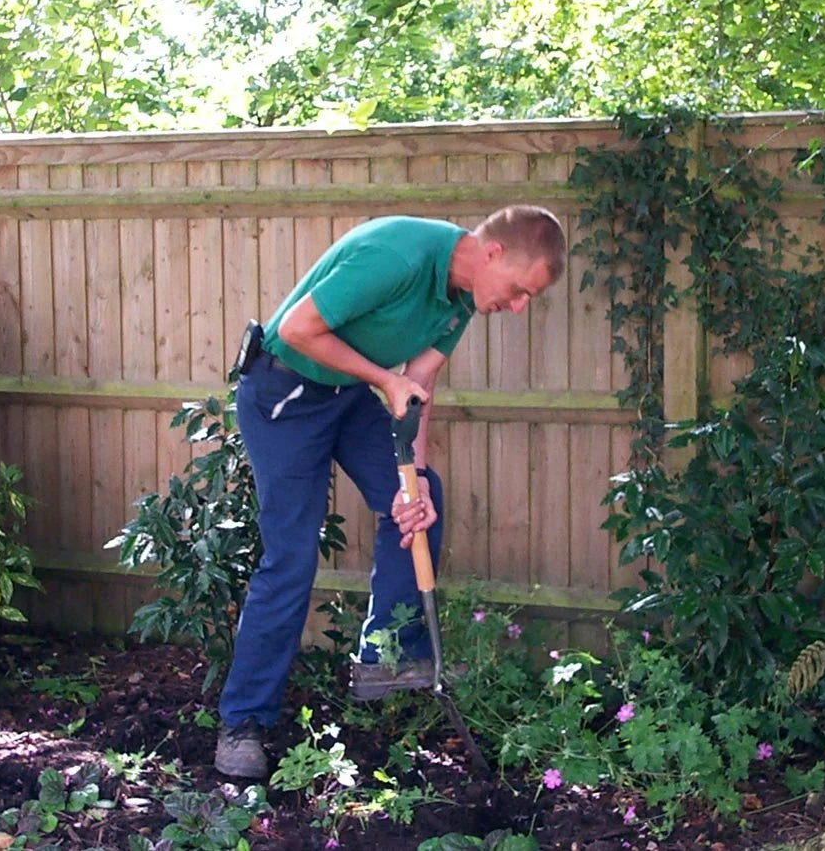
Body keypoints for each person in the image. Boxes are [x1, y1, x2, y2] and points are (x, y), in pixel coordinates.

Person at [213, 205, 567, 779]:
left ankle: (387, 660)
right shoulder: (397, 255)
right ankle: (243, 722)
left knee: (420, 508)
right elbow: (298, 329)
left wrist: (413, 480)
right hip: (283, 391)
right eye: (520, 291)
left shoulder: (462, 297)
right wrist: (382, 378)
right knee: (292, 556)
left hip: (346, 394)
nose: (518, 307)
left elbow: (418, 384)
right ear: (494, 253)